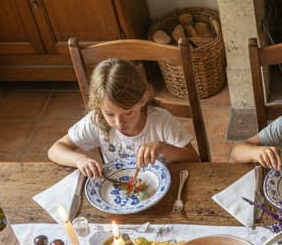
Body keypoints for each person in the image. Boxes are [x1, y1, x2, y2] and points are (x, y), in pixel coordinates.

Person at [49, 58, 200, 178]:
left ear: (143, 98)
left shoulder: (161, 121)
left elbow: (194, 159)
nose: (119, 123)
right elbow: (55, 150)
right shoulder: (96, 120)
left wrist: (162, 147)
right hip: (119, 192)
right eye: (109, 114)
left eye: (128, 112)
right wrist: (79, 160)